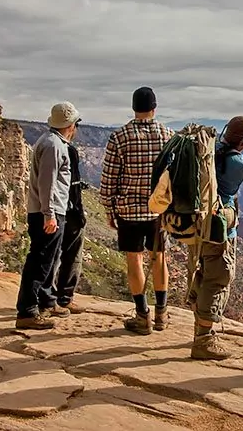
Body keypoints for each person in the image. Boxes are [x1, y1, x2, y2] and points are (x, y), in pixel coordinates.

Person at [188, 116, 243, 360]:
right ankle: (204, 340)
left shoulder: (208, 150)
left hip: (197, 225)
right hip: (219, 230)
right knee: (218, 277)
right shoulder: (237, 162)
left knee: (204, 273)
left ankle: (200, 328)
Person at [100, 87, 173, 334]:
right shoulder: (167, 135)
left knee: (135, 259)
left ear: (133, 108)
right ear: (154, 107)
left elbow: (109, 178)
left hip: (128, 210)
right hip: (158, 211)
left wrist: (109, 209)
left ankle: (143, 317)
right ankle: (162, 314)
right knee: (160, 258)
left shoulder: (119, 137)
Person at [15, 102, 81, 330]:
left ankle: (45, 301)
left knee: (50, 259)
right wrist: (49, 215)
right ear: (71, 125)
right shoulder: (54, 145)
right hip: (48, 212)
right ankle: (27, 311)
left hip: (49, 210)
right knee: (40, 262)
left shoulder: (49, 141)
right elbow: (47, 182)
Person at [48, 138, 88, 314]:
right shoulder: (68, 150)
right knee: (72, 255)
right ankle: (64, 298)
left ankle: (47, 297)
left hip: (52, 209)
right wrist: (79, 211)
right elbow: (73, 185)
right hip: (68, 210)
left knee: (52, 255)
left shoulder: (47, 145)